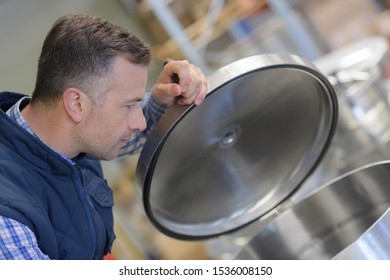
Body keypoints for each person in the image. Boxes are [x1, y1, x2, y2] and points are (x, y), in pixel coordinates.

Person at [0, 14, 207, 260]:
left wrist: (162, 100)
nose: (140, 122)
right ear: (76, 103)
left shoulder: (62, 134)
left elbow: (121, 135)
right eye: (130, 105)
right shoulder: (7, 218)